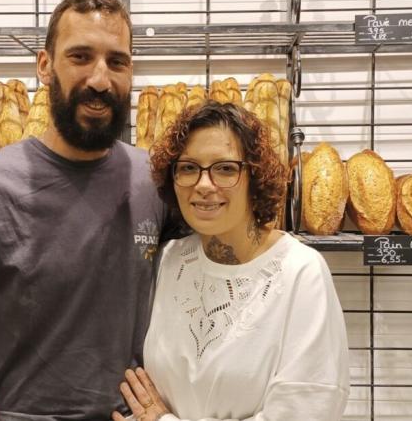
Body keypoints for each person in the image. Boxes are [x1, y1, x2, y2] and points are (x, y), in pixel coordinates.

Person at [0, 0, 174, 421]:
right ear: (45, 66)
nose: (100, 79)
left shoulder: (159, 183)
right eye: (80, 56)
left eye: (117, 61)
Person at [109, 101, 350, 421]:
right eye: (189, 168)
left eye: (225, 168)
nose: (204, 185)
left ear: (256, 176)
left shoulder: (301, 272)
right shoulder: (169, 260)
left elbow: (308, 411)